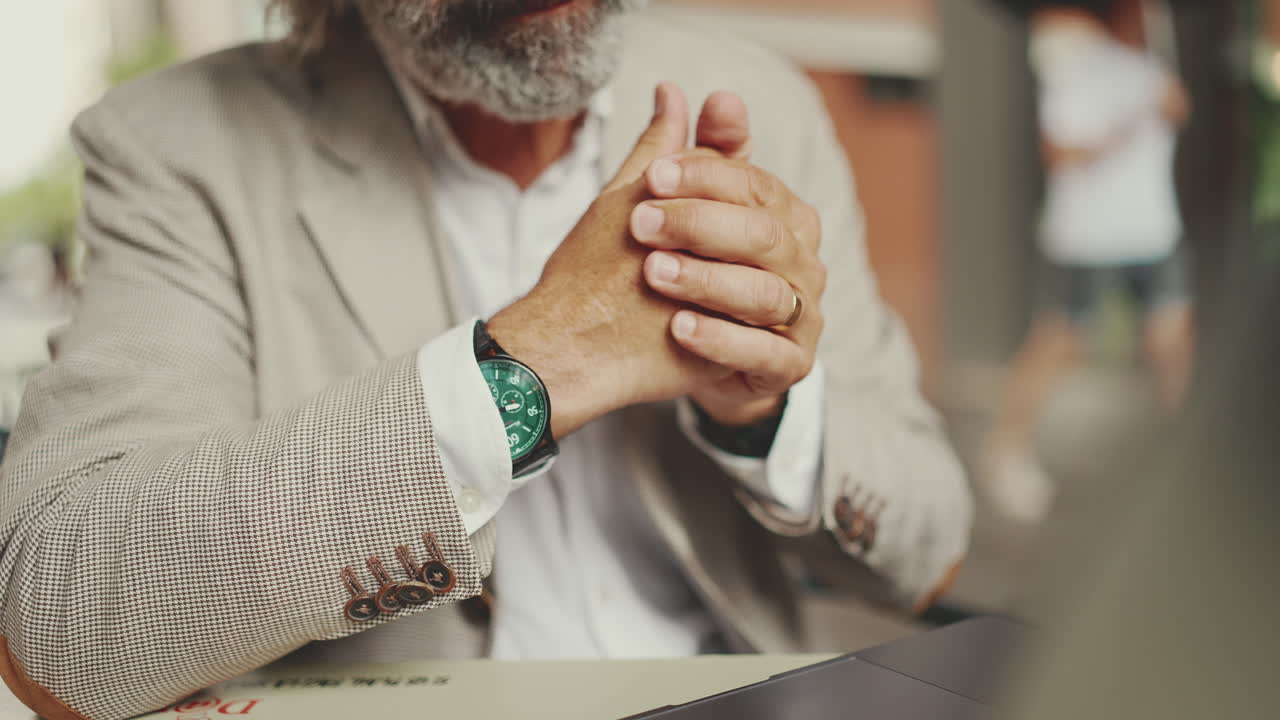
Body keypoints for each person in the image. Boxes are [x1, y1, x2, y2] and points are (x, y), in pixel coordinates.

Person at [0, 2, 972, 718]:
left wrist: (761, 411)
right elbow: (56, 637)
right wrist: (529, 370)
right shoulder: (178, 146)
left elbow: (930, 554)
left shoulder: (769, 103)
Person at [983, 0, 1194, 523]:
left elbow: (1178, 112)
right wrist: (1125, 126)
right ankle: (1004, 449)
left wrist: (1163, 99)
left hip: (1154, 231)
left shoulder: (1154, 69)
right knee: (1061, 341)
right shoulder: (1078, 68)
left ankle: (1180, 461)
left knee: (1171, 341)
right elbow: (1059, 151)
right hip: (1090, 237)